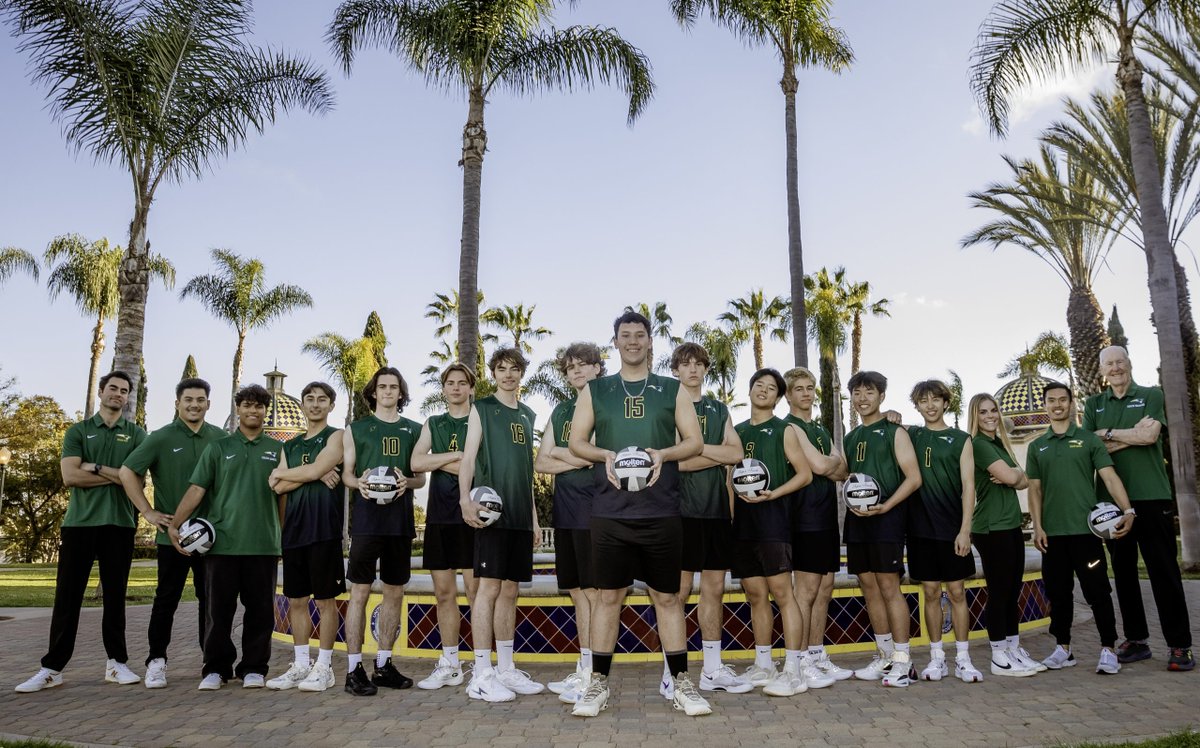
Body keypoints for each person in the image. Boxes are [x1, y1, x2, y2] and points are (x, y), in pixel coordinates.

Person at [568, 310, 709, 718]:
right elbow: (577, 442)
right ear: (615, 342)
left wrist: (664, 453)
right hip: (610, 512)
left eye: (639, 335)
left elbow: (695, 441)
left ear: (650, 342)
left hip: (661, 510)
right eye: (625, 335)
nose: (632, 341)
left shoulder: (672, 389)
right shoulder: (596, 390)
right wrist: (605, 455)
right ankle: (597, 685)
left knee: (668, 597)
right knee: (608, 597)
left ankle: (681, 682)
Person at [16, 371, 147, 693]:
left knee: (115, 599)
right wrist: (119, 475)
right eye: (113, 388)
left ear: (128, 397)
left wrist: (96, 467)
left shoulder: (137, 435)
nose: (118, 394)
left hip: (119, 524)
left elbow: (139, 481)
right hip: (79, 525)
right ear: (101, 391)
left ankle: (117, 664)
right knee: (67, 598)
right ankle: (52, 668)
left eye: (124, 391)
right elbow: (71, 477)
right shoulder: (79, 431)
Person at [1083, 346, 1194, 671]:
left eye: (1120, 361)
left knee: (1164, 572)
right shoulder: (1093, 404)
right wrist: (1129, 434)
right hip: (1111, 504)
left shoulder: (1151, 395)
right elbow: (1091, 443)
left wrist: (1110, 436)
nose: (1115, 368)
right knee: (1125, 574)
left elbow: (1151, 437)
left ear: (1129, 363)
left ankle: (1180, 645)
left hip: (1151, 496)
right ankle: (1136, 640)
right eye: (1109, 364)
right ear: (1102, 370)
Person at [167, 384, 283, 691]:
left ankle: (254, 668)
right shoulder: (219, 448)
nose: (253, 411)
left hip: (263, 545)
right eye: (247, 405)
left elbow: (284, 498)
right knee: (218, 613)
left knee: (260, 613)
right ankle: (216, 668)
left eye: (258, 406)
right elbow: (196, 489)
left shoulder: (277, 449)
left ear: (265, 411)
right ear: (238, 410)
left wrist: (281, 536)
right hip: (222, 545)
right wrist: (175, 524)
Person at [118, 377, 225, 689]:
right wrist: (148, 512)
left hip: (211, 540)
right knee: (166, 600)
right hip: (171, 537)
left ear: (208, 404)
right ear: (177, 403)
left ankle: (213, 664)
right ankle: (156, 661)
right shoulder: (160, 437)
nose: (194, 404)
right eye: (188, 399)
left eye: (200, 399)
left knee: (212, 602)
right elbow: (127, 472)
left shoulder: (220, 438)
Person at [1028, 382, 1135, 675]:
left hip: (1086, 534)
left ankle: (1109, 649)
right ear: (1045, 405)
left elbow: (1110, 477)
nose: (1058, 405)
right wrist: (1037, 526)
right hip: (1053, 535)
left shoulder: (1089, 441)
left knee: (1097, 592)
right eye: (1052, 401)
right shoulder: (1038, 445)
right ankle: (1063, 649)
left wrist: (1128, 510)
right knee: (1059, 595)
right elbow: (1034, 491)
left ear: (1071, 403)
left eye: (1063, 399)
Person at [734, 368, 828, 697]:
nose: (763, 390)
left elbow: (804, 474)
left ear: (777, 397)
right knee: (756, 595)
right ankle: (764, 664)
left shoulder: (784, 430)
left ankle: (793, 670)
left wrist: (775, 493)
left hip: (774, 522)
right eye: (758, 385)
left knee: (782, 594)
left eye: (770, 388)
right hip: (743, 526)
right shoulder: (737, 430)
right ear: (750, 391)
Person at [459, 347, 543, 702]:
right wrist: (465, 499)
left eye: (514, 369)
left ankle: (505, 668)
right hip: (491, 513)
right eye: (501, 369)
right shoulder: (483, 408)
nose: (508, 375)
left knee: (511, 590)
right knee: (487, 589)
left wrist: (535, 520)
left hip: (521, 517)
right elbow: (467, 458)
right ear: (493, 374)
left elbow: (527, 471)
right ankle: (481, 673)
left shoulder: (528, 414)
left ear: (521, 374)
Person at [669, 342, 750, 695]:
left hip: (715, 512)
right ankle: (673, 672)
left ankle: (712, 670)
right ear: (676, 370)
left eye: (698, 364)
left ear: (705, 370)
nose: (692, 369)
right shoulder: (668, 406)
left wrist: (698, 449)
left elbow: (736, 453)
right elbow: (675, 462)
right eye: (685, 364)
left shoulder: (719, 409)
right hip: (680, 512)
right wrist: (714, 454)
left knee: (713, 590)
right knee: (678, 593)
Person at [341, 367, 425, 696]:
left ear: (401, 393)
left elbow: (421, 477)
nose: (388, 391)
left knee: (394, 594)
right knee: (359, 594)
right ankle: (352, 670)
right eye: (383, 386)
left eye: (394, 387)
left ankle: (383, 665)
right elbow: (347, 474)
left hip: (398, 522)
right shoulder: (356, 429)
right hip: (366, 522)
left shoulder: (414, 430)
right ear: (373, 392)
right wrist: (358, 482)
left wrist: (410, 481)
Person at [264, 381, 346, 693]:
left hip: (323, 531)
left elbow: (302, 473)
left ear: (330, 405)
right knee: (296, 600)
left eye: (321, 399)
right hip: (294, 531)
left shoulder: (336, 436)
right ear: (302, 404)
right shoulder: (291, 445)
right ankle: (301, 665)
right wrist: (309, 471)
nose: (315, 404)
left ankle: (324, 667)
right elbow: (278, 486)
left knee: (325, 601)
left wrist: (294, 472)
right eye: (309, 399)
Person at [842, 370, 922, 688]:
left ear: (882, 396)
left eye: (870, 392)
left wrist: (887, 506)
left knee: (889, 587)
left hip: (887, 516)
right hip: (858, 518)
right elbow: (849, 478)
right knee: (869, 587)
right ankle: (886, 656)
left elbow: (914, 478)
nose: (863, 398)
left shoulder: (894, 431)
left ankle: (904, 661)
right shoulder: (850, 438)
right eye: (857, 393)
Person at [536, 343, 606, 703]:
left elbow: (598, 453)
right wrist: (576, 455)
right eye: (570, 368)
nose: (576, 371)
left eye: (583, 365)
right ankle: (585, 666)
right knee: (579, 593)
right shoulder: (561, 409)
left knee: (594, 593)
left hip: (596, 512)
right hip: (565, 512)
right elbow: (541, 462)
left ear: (597, 368)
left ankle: (594, 673)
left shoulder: (606, 403)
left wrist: (565, 452)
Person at [905, 380, 982, 683]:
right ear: (918, 406)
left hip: (952, 529)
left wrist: (965, 530)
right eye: (924, 401)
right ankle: (937, 658)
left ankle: (963, 658)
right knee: (930, 592)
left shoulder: (960, 439)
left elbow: (969, 486)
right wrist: (892, 414)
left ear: (945, 403)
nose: (930, 405)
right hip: (920, 530)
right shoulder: (911, 435)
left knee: (958, 592)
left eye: (936, 400)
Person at [782, 367, 854, 682]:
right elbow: (823, 465)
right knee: (806, 591)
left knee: (825, 588)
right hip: (803, 518)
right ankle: (797, 662)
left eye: (810, 388)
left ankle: (816, 653)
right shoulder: (790, 428)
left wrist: (831, 464)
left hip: (826, 518)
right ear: (788, 394)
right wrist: (830, 464)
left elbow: (843, 471)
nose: (807, 393)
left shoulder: (821, 430)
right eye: (799, 388)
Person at [411, 363, 477, 690]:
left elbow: (479, 465)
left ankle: (482, 664)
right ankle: (450, 663)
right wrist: (456, 456)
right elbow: (416, 462)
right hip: (439, 517)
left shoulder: (480, 421)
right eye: (450, 383)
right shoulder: (433, 423)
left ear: (470, 388)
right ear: (444, 388)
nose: (455, 388)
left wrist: (444, 460)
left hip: (472, 515)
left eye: (461, 383)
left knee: (478, 593)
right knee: (444, 593)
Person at [967, 393, 1040, 677]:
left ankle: (1013, 647)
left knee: (1013, 592)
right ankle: (998, 655)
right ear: (975, 415)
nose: (989, 416)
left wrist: (1014, 475)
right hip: (990, 527)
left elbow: (1023, 480)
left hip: (1010, 525)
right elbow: (1014, 479)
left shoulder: (999, 443)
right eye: (983, 411)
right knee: (999, 592)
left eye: (993, 410)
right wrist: (1013, 475)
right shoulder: (980, 445)